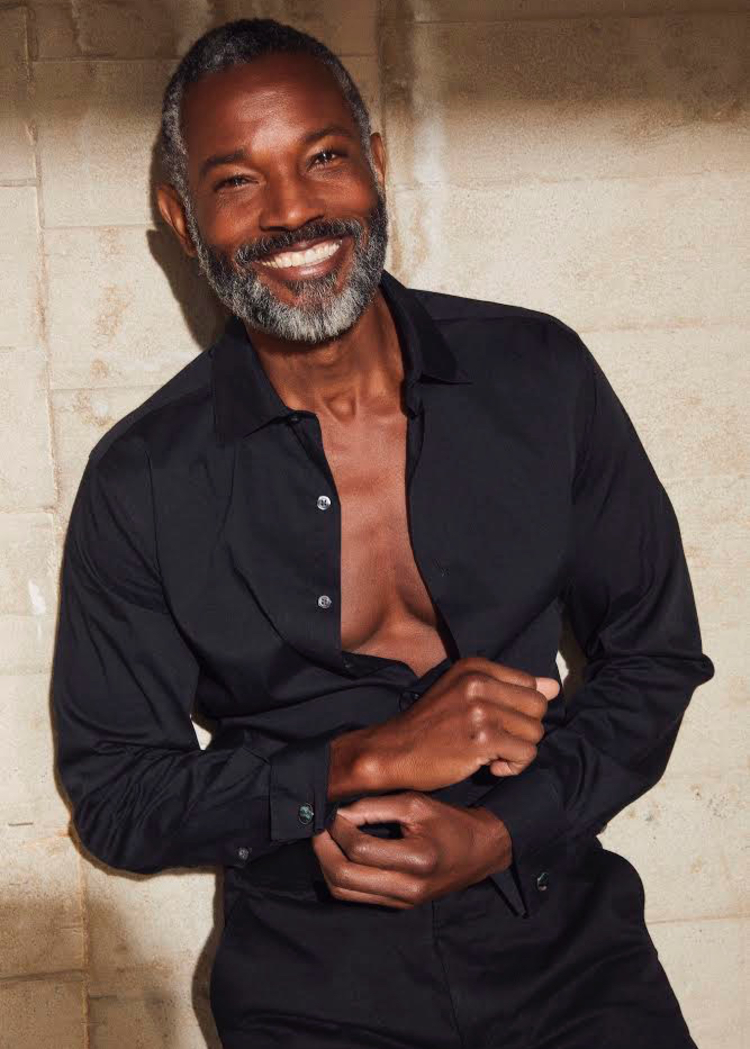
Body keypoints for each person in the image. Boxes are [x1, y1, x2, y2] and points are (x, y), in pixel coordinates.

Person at [51, 18, 715, 1049]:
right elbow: (118, 795)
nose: (293, 211)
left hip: (569, 956)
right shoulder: (142, 481)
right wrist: (358, 761)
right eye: (238, 181)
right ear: (182, 218)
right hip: (311, 986)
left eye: (323, 157)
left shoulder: (538, 378)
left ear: (375, 162)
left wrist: (503, 832)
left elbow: (654, 654)